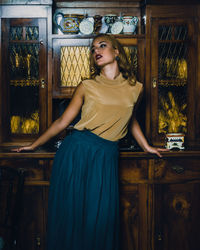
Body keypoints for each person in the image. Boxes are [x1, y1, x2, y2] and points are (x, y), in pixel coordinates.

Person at [12, 34, 167, 250]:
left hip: (106, 156)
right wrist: (33, 145)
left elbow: (130, 119)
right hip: (77, 152)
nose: (96, 51)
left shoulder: (137, 88)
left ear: (117, 51)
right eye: (93, 49)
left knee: (102, 218)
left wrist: (146, 146)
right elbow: (62, 122)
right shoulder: (87, 85)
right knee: (73, 217)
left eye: (102, 46)